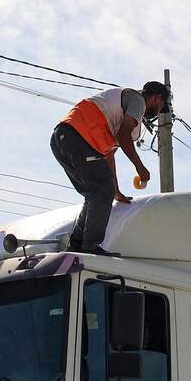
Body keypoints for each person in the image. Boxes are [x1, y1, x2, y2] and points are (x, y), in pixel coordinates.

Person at [48, 82, 164, 255]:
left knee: (95, 192)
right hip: (78, 137)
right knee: (101, 190)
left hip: (63, 139)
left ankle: (77, 245)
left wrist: (115, 190)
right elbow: (123, 135)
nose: (159, 111)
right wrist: (141, 168)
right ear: (157, 98)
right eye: (161, 107)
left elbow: (109, 155)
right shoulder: (138, 101)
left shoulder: (119, 107)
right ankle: (90, 246)